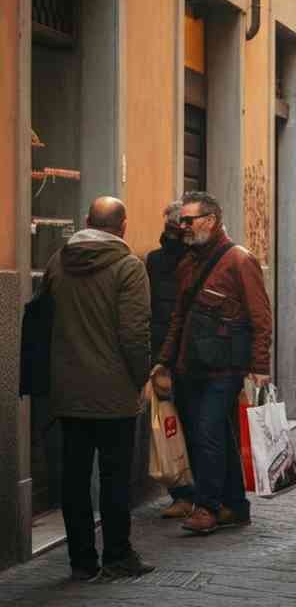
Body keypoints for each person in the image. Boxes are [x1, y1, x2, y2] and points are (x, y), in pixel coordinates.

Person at [43, 197, 154, 581]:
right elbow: (135, 333)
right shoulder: (128, 267)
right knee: (114, 477)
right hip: (114, 393)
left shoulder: (58, 262)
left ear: (86, 221)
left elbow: (46, 319)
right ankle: (118, 555)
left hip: (68, 391)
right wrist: (141, 377)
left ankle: (81, 561)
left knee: (73, 477)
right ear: (123, 227)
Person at [154, 191, 272, 536]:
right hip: (191, 366)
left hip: (225, 368)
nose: (183, 226)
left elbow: (261, 318)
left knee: (207, 434)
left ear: (211, 220)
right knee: (213, 435)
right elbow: (179, 316)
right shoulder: (189, 262)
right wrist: (164, 360)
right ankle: (235, 506)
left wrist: (260, 366)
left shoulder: (239, 260)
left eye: (189, 220)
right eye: (182, 220)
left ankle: (206, 506)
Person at [144, 200, 196, 520]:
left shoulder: (200, 260)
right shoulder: (154, 261)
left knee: (194, 424)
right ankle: (182, 493)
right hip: (166, 354)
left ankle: (198, 494)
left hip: (192, 354)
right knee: (170, 425)